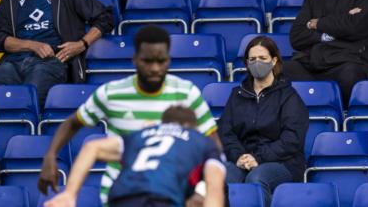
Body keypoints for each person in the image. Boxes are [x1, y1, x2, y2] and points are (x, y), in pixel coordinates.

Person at [38, 25, 220, 205]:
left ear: (169, 60)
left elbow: (212, 143)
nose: (155, 68)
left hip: (170, 188)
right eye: (148, 61)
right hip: (121, 189)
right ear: (135, 60)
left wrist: (205, 187)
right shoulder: (111, 93)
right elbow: (73, 123)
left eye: (161, 61)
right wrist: (50, 155)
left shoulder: (187, 93)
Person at [44, 106, 226, 207]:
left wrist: (69, 194)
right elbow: (214, 186)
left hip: (122, 197)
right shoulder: (202, 141)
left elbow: (92, 147)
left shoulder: (142, 135)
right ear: (193, 127)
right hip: (162, 199)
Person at [218, 36, 309, 207]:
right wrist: (238, 156)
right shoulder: (237, 95)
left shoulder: (289, 96)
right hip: (243, 159)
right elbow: (225, 131)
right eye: (252, 59)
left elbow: (292, 140)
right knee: (224, 177)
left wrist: (258, 158)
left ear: (274, 61)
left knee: (257, 178)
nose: (257, 63)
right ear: (246, 63)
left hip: (283, 162)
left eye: (262, 58)